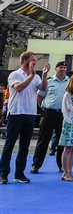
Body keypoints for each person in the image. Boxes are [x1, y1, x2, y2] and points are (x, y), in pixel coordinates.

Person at [0, 51, 50, 184]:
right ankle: (3, 174)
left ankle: (19, 174)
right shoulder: (15, 74)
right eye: (33, 60)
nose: (35, 63)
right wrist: (31, 75)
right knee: (9, 145)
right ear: (25, 60)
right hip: (16, 113)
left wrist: (44, 76)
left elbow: (43, 90)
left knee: (24, 146)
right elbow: (18, 88)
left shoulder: (36, 76)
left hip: (30, 113)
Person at [31, 61, 69, 174]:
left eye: (64, 67)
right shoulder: (48, 81)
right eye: (60, 67)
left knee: (61, 142)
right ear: (56, 69)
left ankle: (62, 166)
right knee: (43, 140)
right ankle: (36, 165)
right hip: (48, 113)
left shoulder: (70, 82)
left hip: (63, 114)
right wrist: (44, 109)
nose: (62, 69)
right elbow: (39, 97)